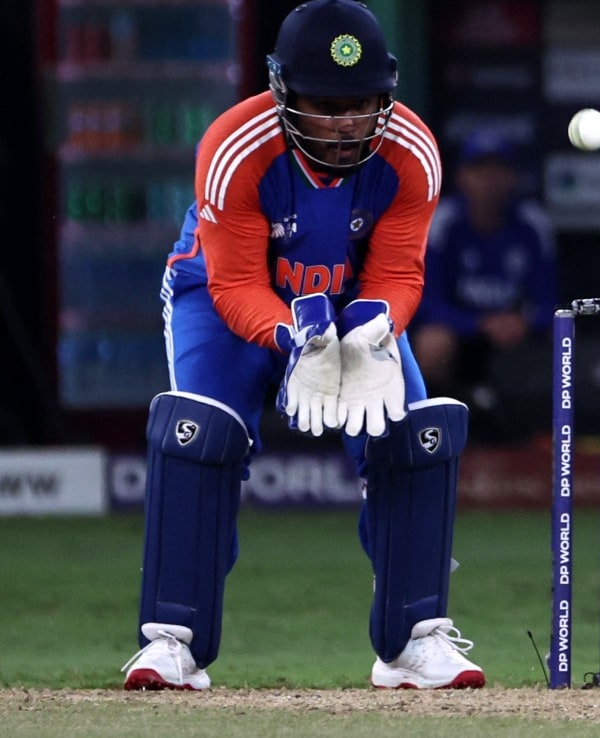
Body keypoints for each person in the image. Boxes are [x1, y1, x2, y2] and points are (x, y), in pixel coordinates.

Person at [120, 0, 484, 691]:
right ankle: (172, 641)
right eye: (327, 106)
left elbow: (400, 273)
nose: (348, 123)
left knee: (411, 436)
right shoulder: (235, 145)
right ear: (283, 92)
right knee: (202, 435)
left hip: (350, 306)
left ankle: (414, 639)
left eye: (364, 104)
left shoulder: (412, 150)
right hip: (222, 302)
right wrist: (299, 338)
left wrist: (372, 330)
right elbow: (234, 284)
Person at [410, 127, 557, 438]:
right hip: (463, 333)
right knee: (432, 343)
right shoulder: (443, 223)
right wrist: (479, 323)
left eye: (498, 170)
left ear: (513, 177)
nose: (489, 180)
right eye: (479, 170)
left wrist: (523, 322)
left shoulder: (532, 224)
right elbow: (427, 302)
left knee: (560, 341)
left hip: (514, 337)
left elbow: (549, 302)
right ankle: (438, 425)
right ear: (462, 177)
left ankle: (528, 430)